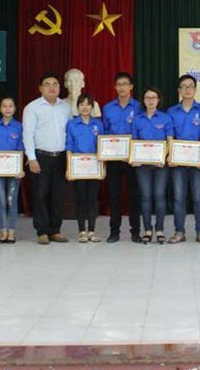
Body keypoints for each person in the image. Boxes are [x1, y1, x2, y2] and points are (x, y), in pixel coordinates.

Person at [23, 72, 72, 245]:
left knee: (58, 195)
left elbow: (70, 132)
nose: (52, 87)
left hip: (60, 157)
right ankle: (42, 231)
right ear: (40, 88)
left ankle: (55, 230)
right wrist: (31, 158)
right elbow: (27, 134)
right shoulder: (32, 108)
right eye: (47, 84)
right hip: (40, 156)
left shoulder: (65, 107)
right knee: (40, 194)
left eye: (55, 84)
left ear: (59, 87)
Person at [167, 74, 200, 244]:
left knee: (199, 197)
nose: (187, 89)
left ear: (195, 89)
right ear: (179, 90)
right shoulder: (171, 111)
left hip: (198, 161)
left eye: (190, 86)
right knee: (179, 197)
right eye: (183, 86)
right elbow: (169, 136)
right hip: (178, 161)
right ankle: (179, 231)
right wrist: (170, 155)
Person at [102, 71, 142, 243]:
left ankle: (135, 232)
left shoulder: (139, 107)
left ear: (131, 87)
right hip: (113, 159)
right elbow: (104, 132)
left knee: (134, 196)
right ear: (115, 87)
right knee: (114, 195)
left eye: (125, 84)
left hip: (133, 159)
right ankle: (114, 231)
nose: (122, 87)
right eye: (119, 84)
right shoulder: (108, 108)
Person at [131, 86, 174, 244]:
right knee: (146, 196)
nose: (150, 100)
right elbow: (134, 142)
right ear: (143, 100)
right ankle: (148, 229)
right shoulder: (137, 120)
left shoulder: (165, 118)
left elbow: (170, 140)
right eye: (147, 98)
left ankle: (160, 229)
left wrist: (163, 157)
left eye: (153, 98)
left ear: (158, 100)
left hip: (160, 164)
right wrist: (134, 158)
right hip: (142, 165)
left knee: (159, 196)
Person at [65, 94, 106, 243]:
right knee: (81, 198)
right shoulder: (71, 124)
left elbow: (103, 146)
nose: (85, 107)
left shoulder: (99, 124)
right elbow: (69, 146)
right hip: (78, 166)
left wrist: (103, 167)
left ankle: (92, 231)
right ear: (77, 107)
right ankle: (82, 231)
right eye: (81, 104)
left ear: (92, 107)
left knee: (92, 199)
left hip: (95, 166)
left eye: (88, 104)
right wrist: (69, 167)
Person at [0, 96, 24, 244]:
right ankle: (3, 230)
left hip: (14, 170)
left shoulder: (19, 127)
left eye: (10, 106)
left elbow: (21, 149)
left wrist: (20, 168)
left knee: (11, 200)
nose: (7, 109)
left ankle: (12, 231)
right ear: (0, 109)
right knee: (1, 200)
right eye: (4, 106)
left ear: (15, 108)